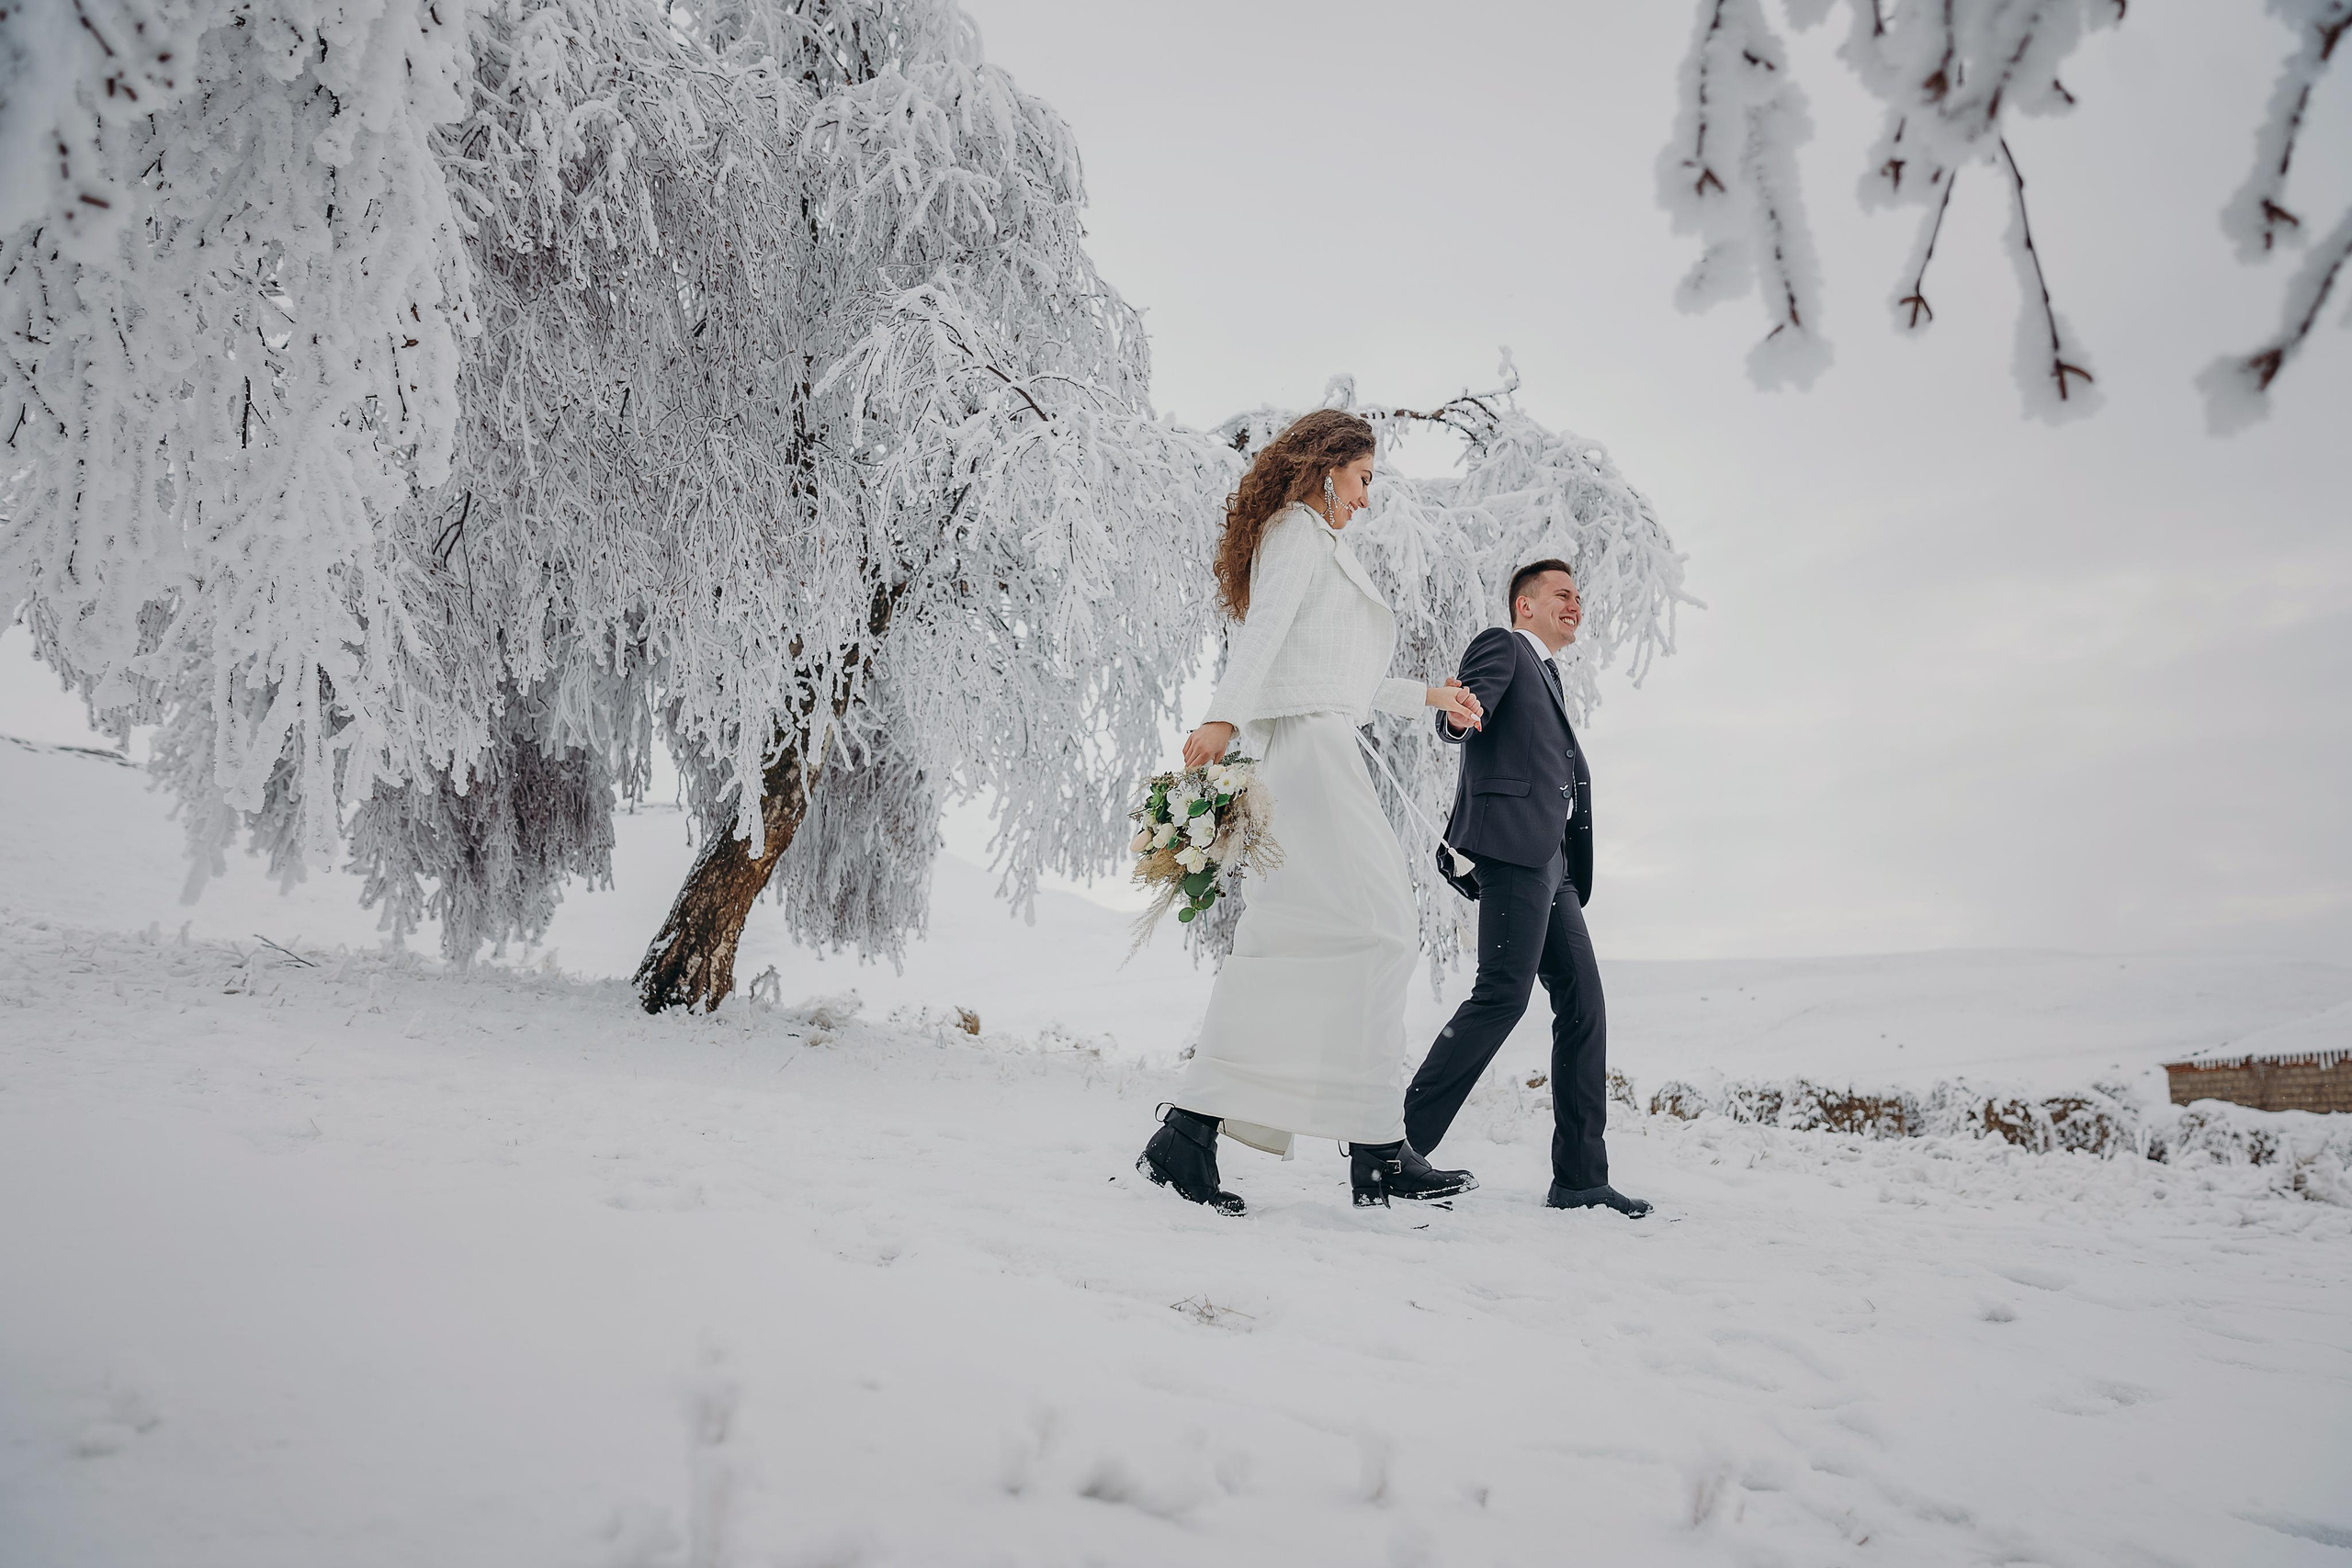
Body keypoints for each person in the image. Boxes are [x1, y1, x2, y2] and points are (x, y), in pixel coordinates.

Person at [1136, 410, 1485, 1214]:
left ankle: (1201, 1134)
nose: (1367, 499)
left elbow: (1332, 678)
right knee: (1381, 927)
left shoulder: (1321, 545)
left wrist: (1428, 696)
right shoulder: (1296, 530)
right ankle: (1369, 1150)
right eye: (1364, 479)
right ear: (1328, 468)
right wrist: (1221, 718)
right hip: (1302, 752)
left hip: (1315, 740)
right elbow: (1261, 639)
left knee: (1305, 935)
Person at [1403, 560, 1654, 1218]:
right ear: (1525, 605)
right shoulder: (1504, 644)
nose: (1576, 604)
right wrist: (1458, 716)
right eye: (1563, 594)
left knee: (1584, 1004)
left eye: (1579, 595)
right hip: (1514, 851)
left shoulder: (1549, 673)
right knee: (1502, 996)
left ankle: (1580, 1177)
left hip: (1555, 864)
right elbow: (1462, 713)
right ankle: (1395, 1141)